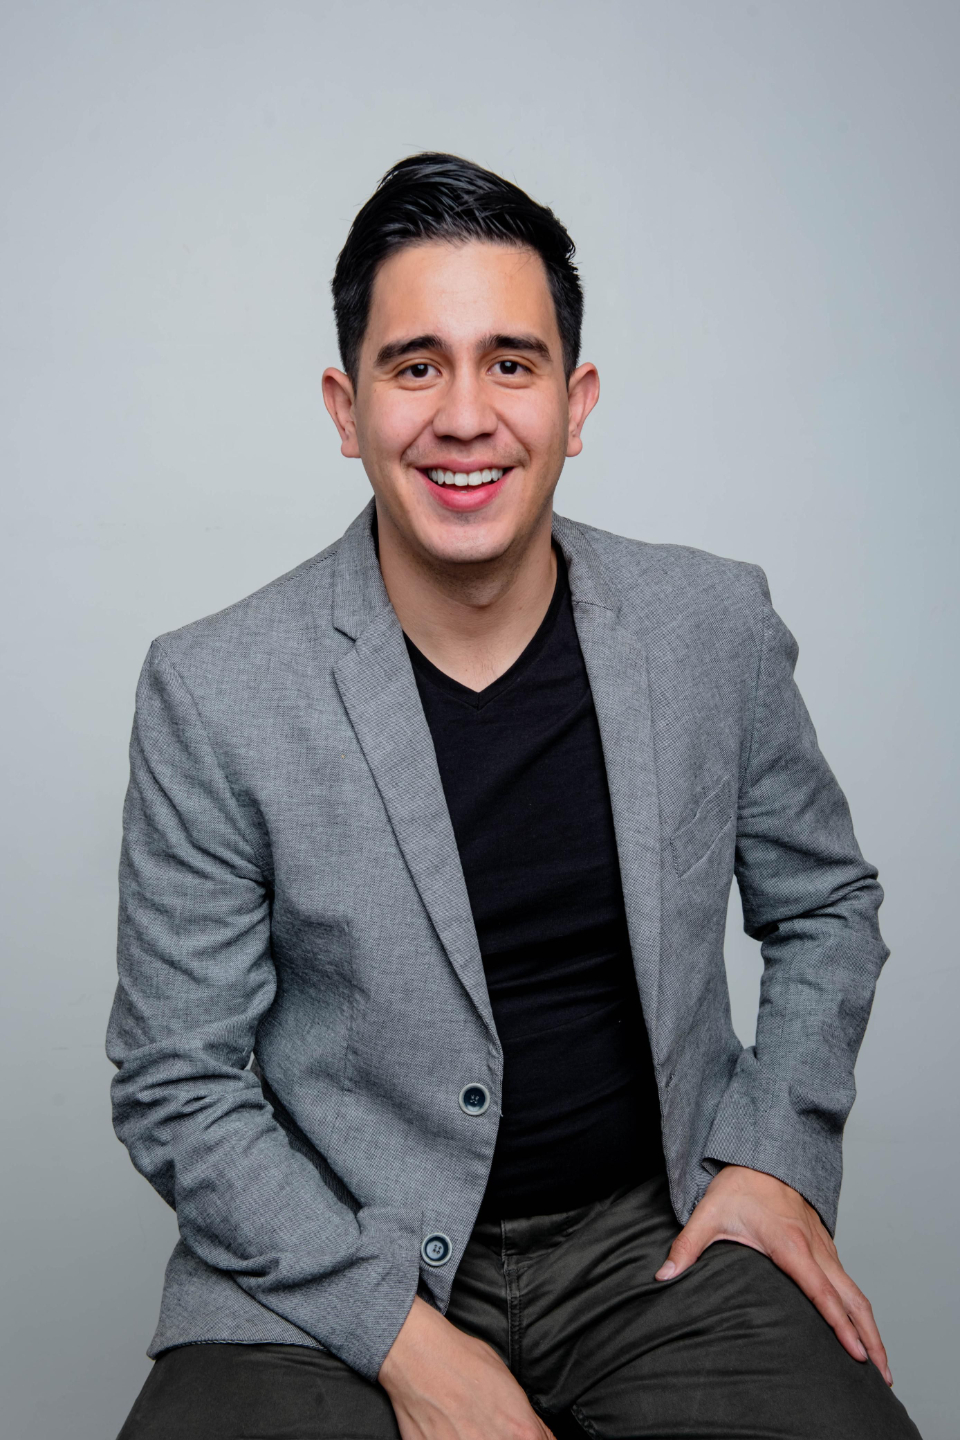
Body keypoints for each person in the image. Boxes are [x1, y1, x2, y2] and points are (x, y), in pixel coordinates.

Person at [109, 153, 920, 1439]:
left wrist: (776, 1157)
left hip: (652, 1243)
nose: (466, 415)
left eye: (511, 362)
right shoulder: (216, 690)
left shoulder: (709, 624)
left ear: (574, 401)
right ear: (346, 406)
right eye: (415, 366)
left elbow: (825, 907)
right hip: (327, 1263)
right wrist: (405, 1343)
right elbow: (176, 1080)